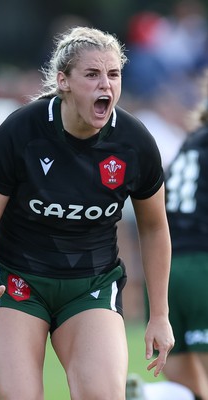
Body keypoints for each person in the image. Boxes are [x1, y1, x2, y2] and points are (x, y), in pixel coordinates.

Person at [0, 26, 174, 400]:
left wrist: (159, 315)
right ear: (64, 81)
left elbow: (155, 228)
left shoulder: (134, 142)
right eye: (92, 75)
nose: (105, 85)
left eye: (113, 74)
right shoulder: (22, 131)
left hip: (91, 285)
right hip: (17, 285)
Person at [133, 70, 208, 400]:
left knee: (189, 390)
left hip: (165, 275)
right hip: (202, 270)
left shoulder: (190, 143)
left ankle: (152, 397)